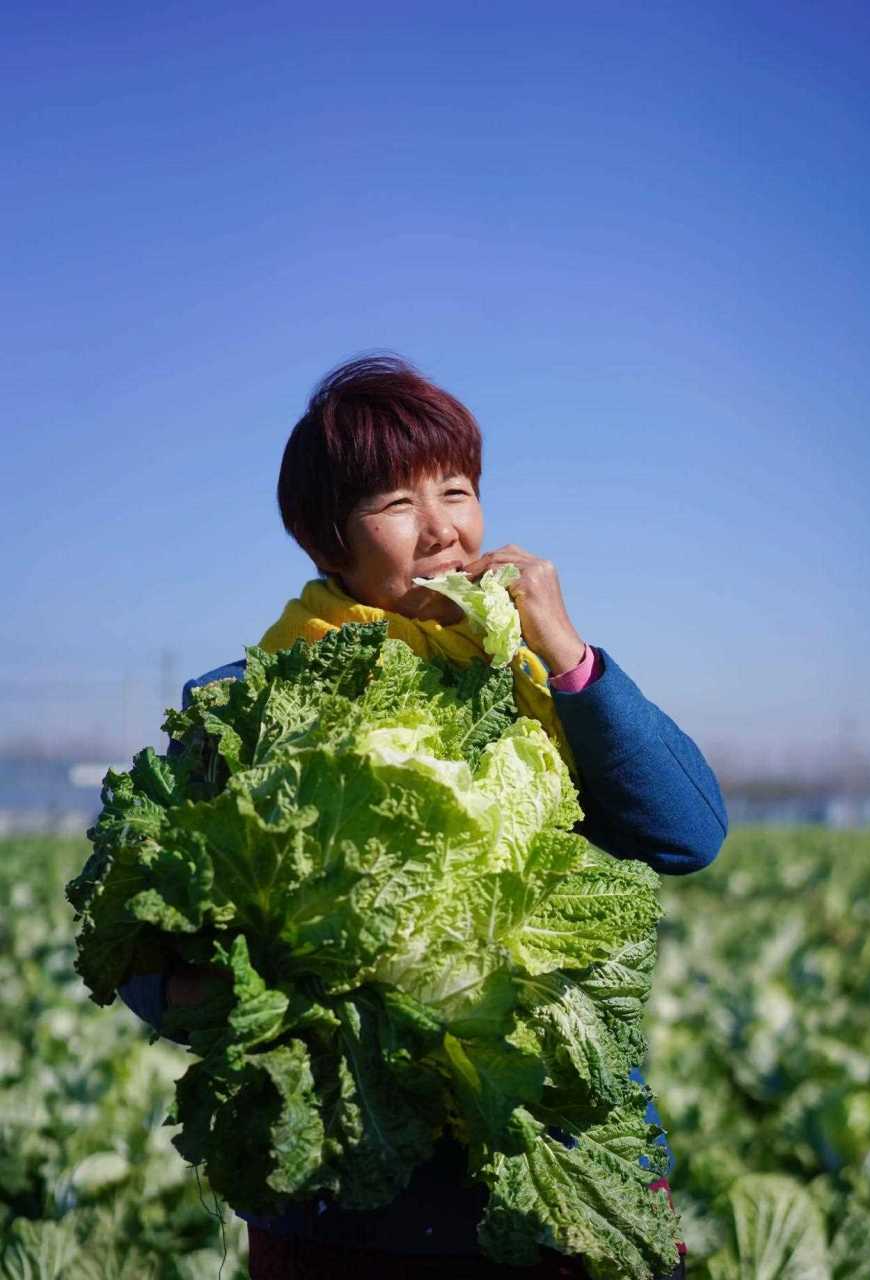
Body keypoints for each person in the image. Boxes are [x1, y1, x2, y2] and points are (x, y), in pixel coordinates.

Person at [120, 353, 727, 1279]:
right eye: (397, 504)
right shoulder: (238, 703)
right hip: (341, 1187)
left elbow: (688, 833)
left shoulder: (531, 681)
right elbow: (134, 923)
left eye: (457, 489)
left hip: (553, 1157)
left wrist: (565, 650)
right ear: (326, 539)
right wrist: (235, 1001)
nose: (442, 529)